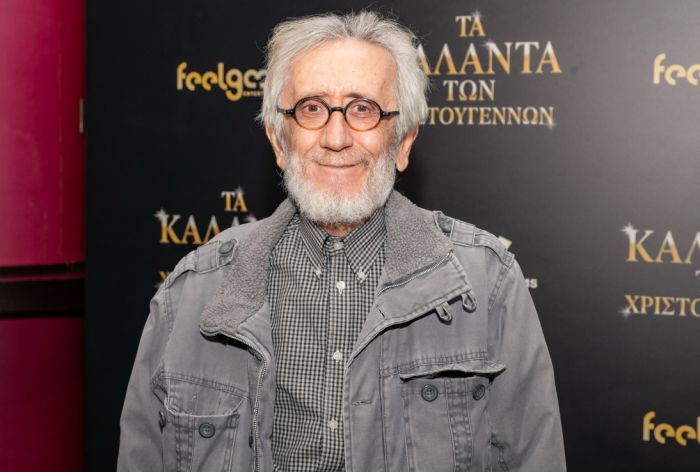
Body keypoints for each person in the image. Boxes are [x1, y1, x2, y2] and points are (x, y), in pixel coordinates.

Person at [117, 10, 566, 472]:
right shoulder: (191, 295)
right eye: (311, 108)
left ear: (403, 142)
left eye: (362, 109)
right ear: (279, 141)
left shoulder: (486, 285)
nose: (336, 137)